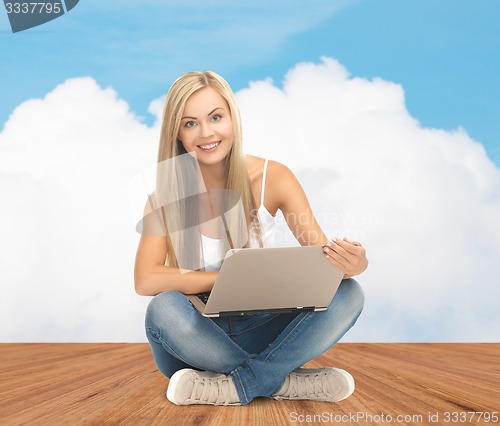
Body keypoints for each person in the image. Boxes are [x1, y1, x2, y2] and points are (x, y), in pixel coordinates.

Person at [134, 70, 368, 406]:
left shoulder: (272, 177)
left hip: (264, 327)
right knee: (162, 309)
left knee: (349, 294)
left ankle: (237, 384)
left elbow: (324, 261)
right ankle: (280, 381)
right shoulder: (164, 196)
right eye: (190, 123)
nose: (206, 133)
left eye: (216, 117)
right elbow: (146, 278)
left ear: (232, 118)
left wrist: (355, 264)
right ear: (177, 134)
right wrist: (226, 279)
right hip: (195, 334)